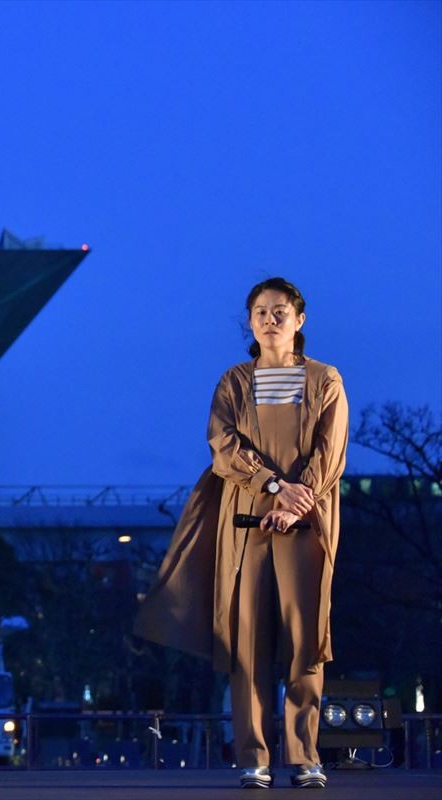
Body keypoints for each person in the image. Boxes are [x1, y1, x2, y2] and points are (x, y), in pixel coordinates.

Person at [135, 277, 347, 790]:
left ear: (300, 319)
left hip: (307, 522)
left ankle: (304, 756)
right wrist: (273, 486)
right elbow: (223, 446)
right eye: (260, 311)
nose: (270, 319)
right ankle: (254, 756)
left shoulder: (325, 379)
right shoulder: (234, 380)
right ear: (249, 322)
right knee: (245, 638)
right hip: (246, 522)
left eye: (280, 311)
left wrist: (298, 500)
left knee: (305, 639)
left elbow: (331, 450)